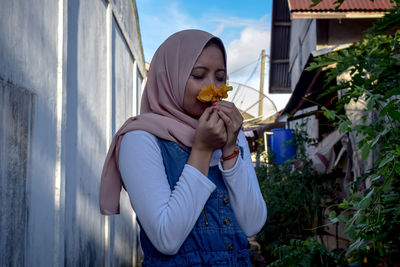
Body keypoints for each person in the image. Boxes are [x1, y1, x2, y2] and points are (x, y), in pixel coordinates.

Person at [99, 29, 267, 266]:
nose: (212, 87)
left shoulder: (230, 134)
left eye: (220, 77)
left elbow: (252, 223)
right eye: (198, 75)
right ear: (169, 77)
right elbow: (166, 238)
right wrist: (202, 150)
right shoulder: (140, 139)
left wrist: (229, 149)